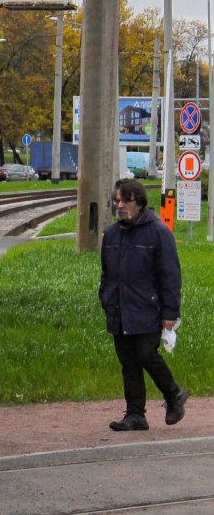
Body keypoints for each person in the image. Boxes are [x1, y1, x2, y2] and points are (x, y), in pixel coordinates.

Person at [99, 178, 187, 431]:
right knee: (128, 361)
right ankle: (135, 414)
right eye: (117, 201)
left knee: (146, 354)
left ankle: (174, 394)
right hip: (118, 308)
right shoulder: (113, 233)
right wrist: (105, 298)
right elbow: (106, 273)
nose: (121, 206)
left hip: (147, 308)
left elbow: (170, 274)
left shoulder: (158, 232)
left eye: (126, 200)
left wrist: (170, 311)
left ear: (139, 202)